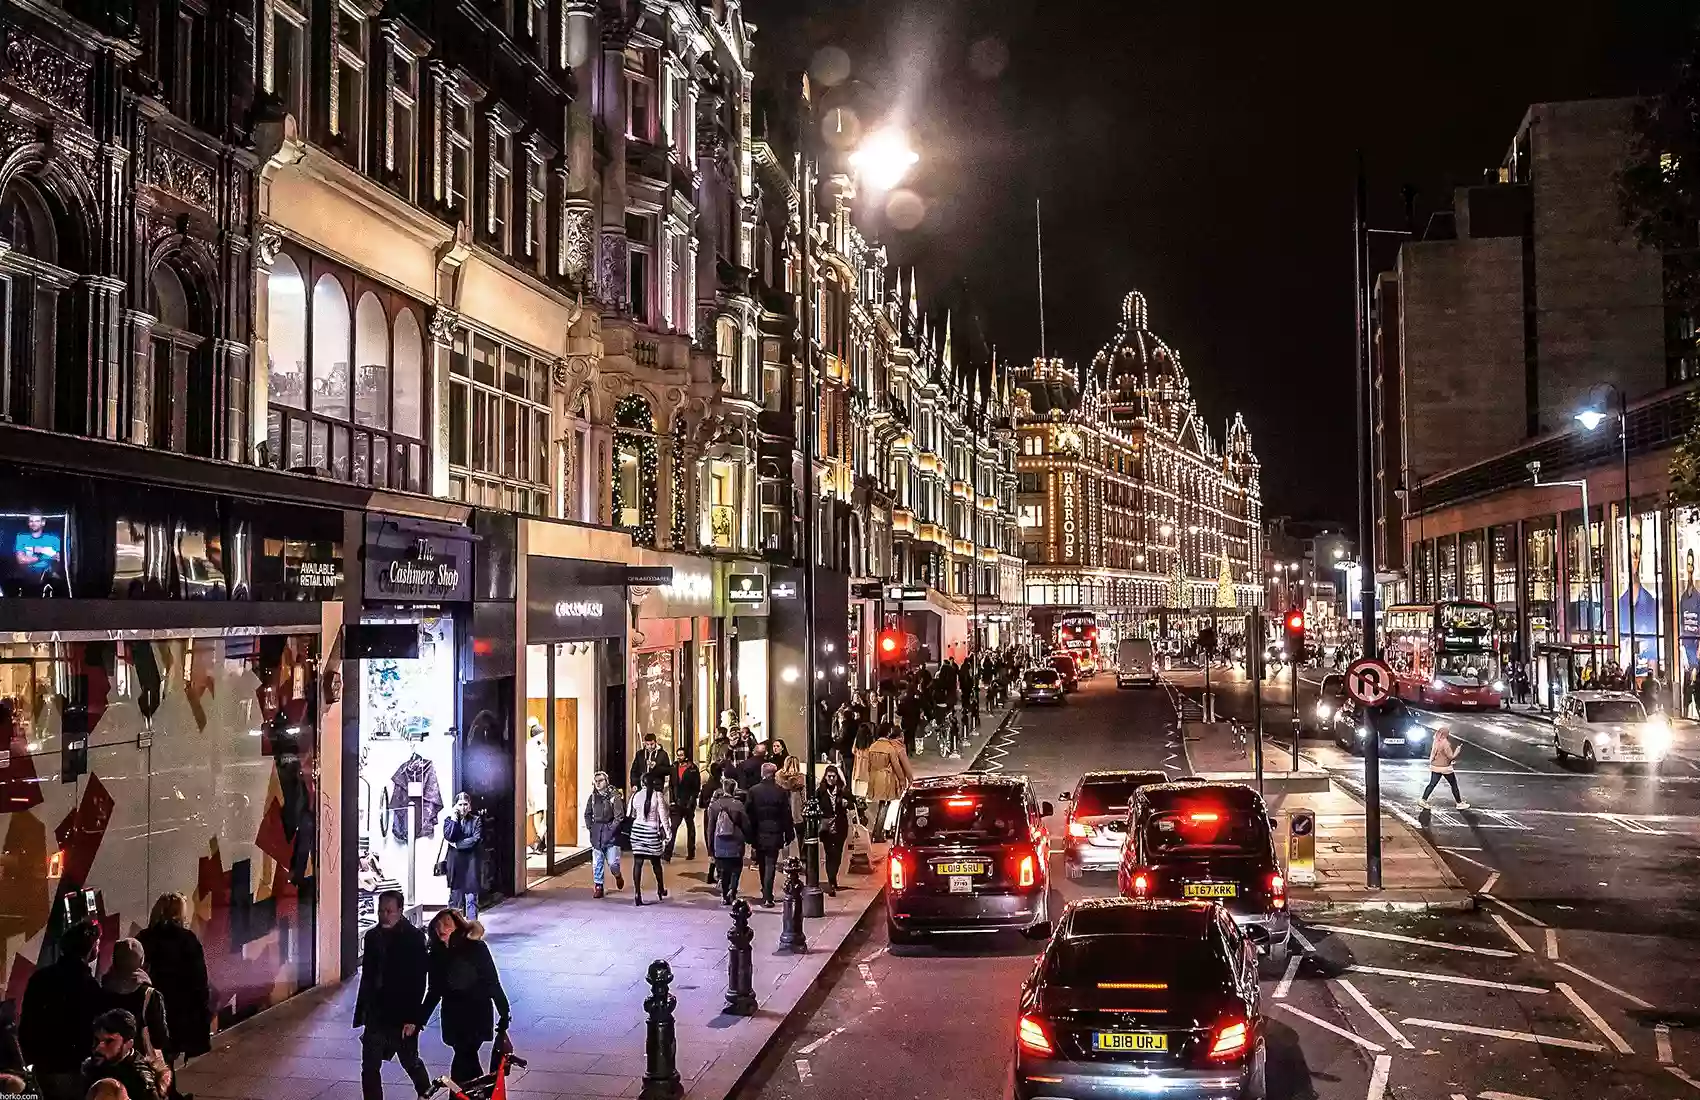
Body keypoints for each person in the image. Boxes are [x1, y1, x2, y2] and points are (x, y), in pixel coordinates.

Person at [354, 890, 435, 1100]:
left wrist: (413, 1018)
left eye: (389, 911)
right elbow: (369, 977)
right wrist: (364, 1010)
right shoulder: (372, 936)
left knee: (410, 1061)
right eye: (381, 911)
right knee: (370, 1066)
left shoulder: (414, 938)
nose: (384, 916)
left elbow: (418, 981)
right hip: (376, 1013)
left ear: (400, 911)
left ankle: (425, 1095)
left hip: (401, 1013)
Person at [421, 908, 510, 1088]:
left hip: (475, 1014)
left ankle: (463, 1094)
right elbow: (434, 991)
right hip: (453, 1018)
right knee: (467, 1060)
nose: (442, 929)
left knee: (464, 1058)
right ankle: (477, 1093)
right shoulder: (436, 956)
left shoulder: (476, 949)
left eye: (447, 924)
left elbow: (492, 982)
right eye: (438, 925)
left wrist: (504, 1011)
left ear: (458, 926)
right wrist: (419, 1019)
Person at [22, 919, 104, 1100]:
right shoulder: (89, 986)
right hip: (73, 1066)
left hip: (43, 1065)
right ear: (91, 948)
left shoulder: (40, 978)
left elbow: (27, 1023)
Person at [136, 893, 210, 1084]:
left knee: (158, 1052)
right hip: (179, 1009)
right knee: (168, 1053)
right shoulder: (186, 940)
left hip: (149, 1006)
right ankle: (167, 1090)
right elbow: (199, 980)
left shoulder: (144, 938)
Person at [99, 940, 169, 1073]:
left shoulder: (103, 991)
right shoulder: (150, 995)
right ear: (140, 960)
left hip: (109, 1062)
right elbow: (159, 1038)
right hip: (139, 1065)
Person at [80, 1011, 163, 1100]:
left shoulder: (141, 1080)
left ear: (128, 1044)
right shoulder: (92, 1066)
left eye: (109, 1041)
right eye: (97, 1039)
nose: (98, 1048)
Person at [746, 762, 794, 907]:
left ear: (762, 773)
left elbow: (748, 813)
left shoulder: (754, 791)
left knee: (762, 863)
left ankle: (765, 891)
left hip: (759, 832)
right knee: (770, 864)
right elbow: (786, 815)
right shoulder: (781, 792)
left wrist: (749, 834)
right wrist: (789, 833)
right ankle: (768, 894)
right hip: (775, 831)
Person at [705, 776, 753, 905]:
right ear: (734, 790)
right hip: (736, 842)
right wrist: (750, 839)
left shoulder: (714, 806)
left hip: (719, 843)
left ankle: (724, 894)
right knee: (736, 869)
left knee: (723, 870)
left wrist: (710, 848)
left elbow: (710, 828)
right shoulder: (738, 805)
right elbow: (746, 824)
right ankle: (733, 891)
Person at [863, 726, 914, 843]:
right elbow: (896, 765)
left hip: (875, 777)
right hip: (886, 779)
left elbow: (869, 765)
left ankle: (876, 831)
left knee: (880, 806)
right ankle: (878, 833)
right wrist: (902, 779)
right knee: (884, 805)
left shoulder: (873, 746)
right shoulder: (889, 748)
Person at [627, 770, 670, 906]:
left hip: (637, 831)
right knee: (656, 863)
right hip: (651, 832)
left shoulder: (636, 795)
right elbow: (663, 817)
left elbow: (630, 813)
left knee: (638, 862)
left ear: (641, 783)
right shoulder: (658, 796)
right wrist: (668, 834)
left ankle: (637, 893)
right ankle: (660, 889)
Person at [583, 772, 625, 898]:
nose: (598, 783)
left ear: (606, 781)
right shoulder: (593, 798)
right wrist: (591, 827)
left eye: (600, 780)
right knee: (597, 862)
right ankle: (598, 886)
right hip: (597, 834)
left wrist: (611, 829)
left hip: (611, 833)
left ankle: (617, 875)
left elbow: (619, 816)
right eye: (595, 781)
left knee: (613, 863)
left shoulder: (614, 796)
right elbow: (587, 814)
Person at [443, 792, 483, 920]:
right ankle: (453, 929)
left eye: (466, 804)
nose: (463, 807)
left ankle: (472, 931)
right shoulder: (449, 820)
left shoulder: (476, 820)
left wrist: (457, 845)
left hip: (471, 862)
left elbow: (475, 839)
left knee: (471, 898)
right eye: (460, 804)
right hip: (455, 863)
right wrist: (454, 820)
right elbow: (450, 836)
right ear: (455, 806)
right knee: (455, 898)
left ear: (470, 806)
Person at [812, 764, 852, 894]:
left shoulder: (843, 790)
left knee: (838, 853)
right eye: (828, 776)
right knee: (829, 853)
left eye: (833, 776)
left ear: (837, 777)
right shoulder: (821, 791)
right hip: (826, 827)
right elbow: (815, 805)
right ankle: (831, 880)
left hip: (840, 826)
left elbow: (853, 803)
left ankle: (833, 876)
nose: (830, 778)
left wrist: (847, 803)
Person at [1417, 725, 1468, 810]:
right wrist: (1457, 751)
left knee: (1432, 784)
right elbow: (1451, 756)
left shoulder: (1436, 741)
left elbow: (1434, 754)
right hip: (1445, 768)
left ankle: (1423, 800)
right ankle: (1459, 803)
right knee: (1453, 784)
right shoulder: (1445, 743)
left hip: (1435, 766)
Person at [667, 746, 701, 862]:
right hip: (677, 802)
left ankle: (691, 851)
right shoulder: (674, 767)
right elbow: (672, 785)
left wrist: (692, 801)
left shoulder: (693, 768)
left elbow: (696, 787)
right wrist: (672, 800)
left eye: (681, 755)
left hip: (688, 803)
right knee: (673, 827)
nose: (679, 757)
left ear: (685, 755)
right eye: (678, 755)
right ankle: (668, 853)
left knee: (690, 827)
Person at [773, 744, 806, 854]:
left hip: (781, 812)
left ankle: (786, 861)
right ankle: (802, 859)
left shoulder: (778, 778)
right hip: (798, 812)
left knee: (785, 838)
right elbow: (804, 797)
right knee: (801, 837)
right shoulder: (801, 779)